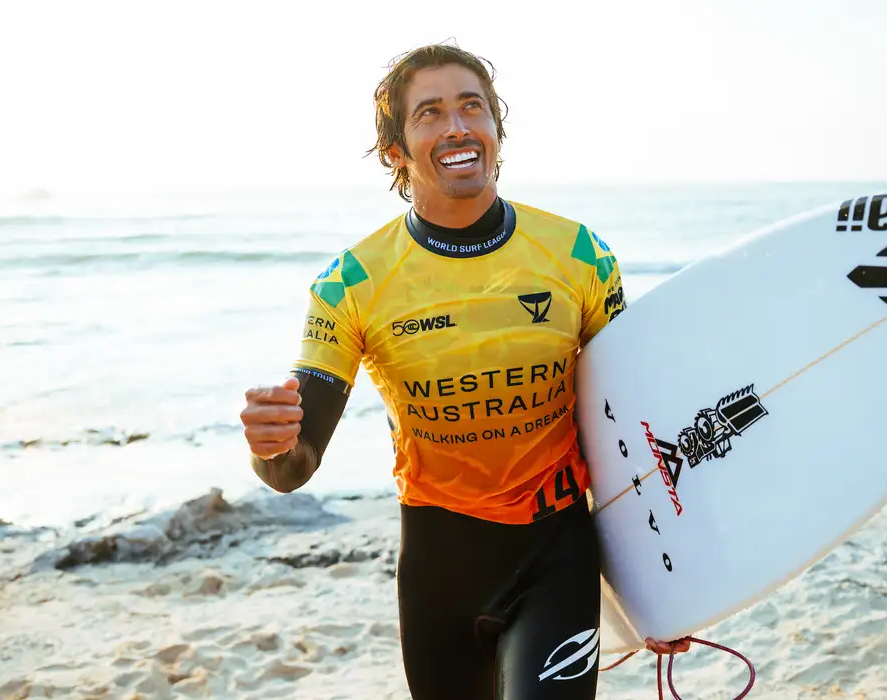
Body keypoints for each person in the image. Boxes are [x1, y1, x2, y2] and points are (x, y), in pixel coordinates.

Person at [239, 43, 690, 700]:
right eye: (430, 113)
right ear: (396, 150)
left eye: (471, 107)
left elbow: (632, 430)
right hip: (438, 569)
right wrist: (270, 444)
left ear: (496, 133)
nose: (456, 126)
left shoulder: (579, 256)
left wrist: (664, 586)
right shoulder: (352, 283)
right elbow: (292, 469)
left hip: (556, 555)